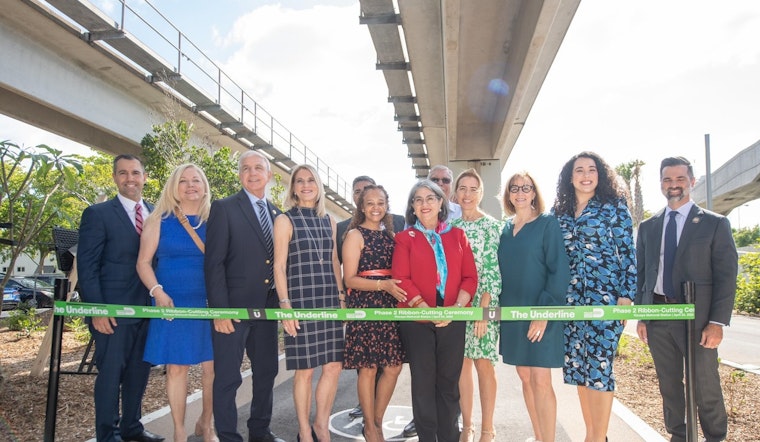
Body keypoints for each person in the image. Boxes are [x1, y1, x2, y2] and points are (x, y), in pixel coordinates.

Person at [636, 156, 737, 442]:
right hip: (658, 317)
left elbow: (726, 277)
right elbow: (643, 274)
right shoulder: (649, 227)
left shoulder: (715, 224)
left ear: (692, 182)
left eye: (680, 179)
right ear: (660, 184)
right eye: (668, 179)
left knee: (705, 383)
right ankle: (679, 436)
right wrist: (643, 316)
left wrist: (716, 322)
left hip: (699, 319)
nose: (674, 185)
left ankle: (715, 437)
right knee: (669, 384)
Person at [77, 154, 165, 442]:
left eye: (136, 173)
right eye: (123, 173)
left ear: (145, 177)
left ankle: (132, 428)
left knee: (138, 373)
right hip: (112, 311)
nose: (130, 179)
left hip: (147, 310)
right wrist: (98, 309)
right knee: (111, 374)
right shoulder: (97, 214)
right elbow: (87, 268)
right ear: (115, 177)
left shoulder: (157, 213)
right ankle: (108, 433)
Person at [552, 152, 636, 442]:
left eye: (591, 170)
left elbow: (627, 253)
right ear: (570, 176)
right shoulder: (560, 212)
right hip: (571, 301)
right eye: (579, 170)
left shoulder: (614, 207)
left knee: (600, 367)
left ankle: (597, 438)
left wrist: (626, 296)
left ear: (600, 175)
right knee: (579, 368)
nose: (586, 175)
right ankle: (593, 434)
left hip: (606, 298)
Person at [204, 151, 284, 442]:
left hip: (267, 310)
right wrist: (220, 311)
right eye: (246, 168)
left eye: (258, 167)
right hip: (233, 310)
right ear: (240, 174)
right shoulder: (224, 208)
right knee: (227, 378)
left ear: (269, 174)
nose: (252, 173)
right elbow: (214, 263)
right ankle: (227, 435)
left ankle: (260, 431)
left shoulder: (278, 215)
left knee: (267, 373)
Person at [392, 179, 478, 442]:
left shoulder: (458, 236)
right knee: (423, 385)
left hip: (453, 319)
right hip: (417, 321)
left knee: (449, 386)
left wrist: (454, 310)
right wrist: (430, 311)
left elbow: (469, 278)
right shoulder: (405, 238)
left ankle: (450, 436)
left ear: (441, 202)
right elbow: (401, 278)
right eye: (418, 200)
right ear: (413, 208)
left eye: (430, 198)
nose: (424, 204)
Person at [136, 164, 216, 442]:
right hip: (171, 302)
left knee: (212, 368)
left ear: (205, 186)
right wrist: (157, 291)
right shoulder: (158, 219)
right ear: (174, 186)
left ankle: (207, 423)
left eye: (196, 180)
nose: (190, 185)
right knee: (178, 368)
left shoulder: (215, 219)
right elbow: (143, 263)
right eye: (183, 180)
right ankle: (179, 432)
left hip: (209, 301)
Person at [273, 164, 345, 442]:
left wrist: (340, 299)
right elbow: (279, 267)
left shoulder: (330, 222)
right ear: (293, 187)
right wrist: (285, 306)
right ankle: (304, 431)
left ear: (318, 186)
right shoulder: (284, 220)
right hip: (300, 300)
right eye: (299, 181)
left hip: (328, 298)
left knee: (334, 366)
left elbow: (333, 262)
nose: (305, 185)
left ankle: (321, 425)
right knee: (305, 370)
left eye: (310, 180)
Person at [499, 172, 570, 442]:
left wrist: (543, 314)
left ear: (533, 192)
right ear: (508, 194)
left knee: (541, 380)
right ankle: (539, 437)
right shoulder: (504, 229)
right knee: (525, 378)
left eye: (525, 188)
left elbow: (559, 272)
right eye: (514, 188)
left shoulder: (547, 224)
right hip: (512, 315)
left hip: (542, 311)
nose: (520, 192)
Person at [335, 175, 406, 421]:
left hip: (389, 305)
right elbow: (350, 279)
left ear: (387, 205)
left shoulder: (391, 235)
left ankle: (375, 419)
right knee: (368, 368)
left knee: (393, 367)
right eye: (370, 203)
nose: (376, 207)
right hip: (366, 304)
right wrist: (381, 285)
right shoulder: (355, 235)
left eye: (381, 202)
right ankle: (371, 427)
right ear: (362, 207)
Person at [449, 169, 502, 442]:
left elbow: (493, 270)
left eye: (473, 189)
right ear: (455, 194)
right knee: (462, 365)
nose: (467, 194)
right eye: (463, 188)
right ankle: (468, 426)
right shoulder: (451, 229)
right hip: (459, 302)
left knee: (484, 364)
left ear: (481, 194)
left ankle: (487, 428)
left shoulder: (493, 226)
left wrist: (484, 311)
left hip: (484, 302)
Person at [337, 175, 406, 264]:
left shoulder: (399, 222)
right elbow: (337, 264)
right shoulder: (341, 228)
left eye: (367, 190)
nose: (362, 195)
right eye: (358, 192)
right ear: (353, 196)